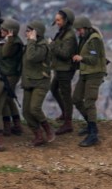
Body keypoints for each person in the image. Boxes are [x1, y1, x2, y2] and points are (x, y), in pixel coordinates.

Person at [71, 15, 107, 147]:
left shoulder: (94, 40)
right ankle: (90, 123)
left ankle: (93, 134)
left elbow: (93, 59)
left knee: (89, 102)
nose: (78, 32)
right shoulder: (85, 38)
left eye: (80, 30)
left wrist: (81, 58)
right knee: (76, 98)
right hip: (85, 73)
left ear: (86, 28)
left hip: (94, 73)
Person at [21, 20, 54, 146]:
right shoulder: (31, 44)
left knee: (34, 108)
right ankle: (38, 135)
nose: (26, 33)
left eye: (29, 31)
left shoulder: (42, 46)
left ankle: (48, 129)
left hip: (41, 82)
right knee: (26, 111)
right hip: (29, 81)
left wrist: (32, 40)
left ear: (36, 33)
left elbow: (32, 57)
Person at [49, 7, 78, 135]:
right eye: (56, 20)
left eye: (59, 20)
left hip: (65, 69)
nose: (57, 23)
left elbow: (65, 54)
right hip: (59, 68)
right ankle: (65, 113)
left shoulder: (70, 35)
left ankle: (68, 123)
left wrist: (52, 45)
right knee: (54, 89)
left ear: (66, 20)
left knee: (66, 96)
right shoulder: (62, 32)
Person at [0, 17, 24, 136]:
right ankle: (15, 124)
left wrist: (10, 39)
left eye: (4, 29)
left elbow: (5, 53)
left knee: (5, 98)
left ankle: (9, 124)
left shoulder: (15, 43)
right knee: (8, 98)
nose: (1, 31)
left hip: (11, 74)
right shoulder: (6, 40)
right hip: (5, 72)